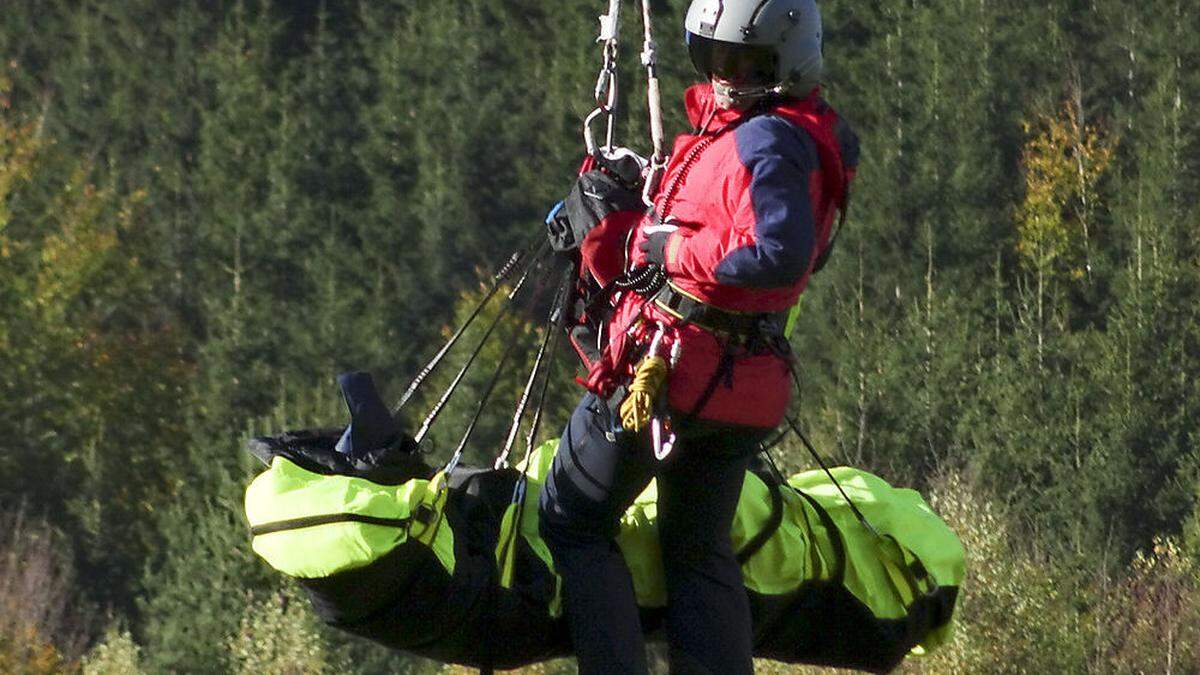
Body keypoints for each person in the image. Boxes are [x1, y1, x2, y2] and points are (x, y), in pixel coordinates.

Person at [538, 0, 859, 672]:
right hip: (742, 386)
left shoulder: (765, 140)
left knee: (572, 516)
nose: (725, 75)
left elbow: (776, 252)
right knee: (697, 547)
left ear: (786, 64)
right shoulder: (786, 134)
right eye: (714, 57)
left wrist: (662, 246)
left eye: (744, 62)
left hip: (676, 374)